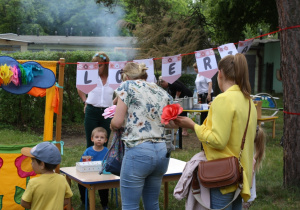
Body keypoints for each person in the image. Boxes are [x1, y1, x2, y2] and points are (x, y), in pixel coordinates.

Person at [173, 53, 257, 209]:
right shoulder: (248, 100)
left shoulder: (223, 99)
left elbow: (218, 141)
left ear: (220, 73)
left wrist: (193, 126)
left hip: (223, 175)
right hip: (240, 174)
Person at [110, 62, 174, 210]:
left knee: (130, 205)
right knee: (152, 204)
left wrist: (112, 125)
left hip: (138, 150)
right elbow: (169, 122)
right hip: (161, 150)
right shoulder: (160, 90)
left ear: (125, 76)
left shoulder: (126, 86)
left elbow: (118, 122)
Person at [20, 142, 73, 210]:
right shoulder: (62, 179)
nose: (31, 163)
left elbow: (24, 203)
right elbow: (67, 200)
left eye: (33, 161)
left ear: (42, 164)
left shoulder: (33, 183)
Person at [77, 52, 114, 148]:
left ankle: (103, 162)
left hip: (107, 112)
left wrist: (113, 103)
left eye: (100, 66)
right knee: (91, 140)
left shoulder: (113, 77)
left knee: (104, 140)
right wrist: (85, 101)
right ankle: (90, 161)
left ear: (106, 65)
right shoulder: (91, 75)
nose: (97, 68)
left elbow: (121, 90)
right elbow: (80, 87)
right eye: (95, 66)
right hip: (92, 110)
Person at [78, 127, 109, 209]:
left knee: (104, 185)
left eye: (102, 137)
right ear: (92, 139)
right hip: (89, 175)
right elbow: (82, 163)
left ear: (105, 140)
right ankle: (85, 202)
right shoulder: (88, 151)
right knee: (81, 184)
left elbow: (109, 164)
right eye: (97, 137)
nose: (99, 139)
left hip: (102, 175)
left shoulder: (107, 151)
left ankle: (104, 204)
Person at [242, 126, 266, 209]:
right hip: (248, 196)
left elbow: (249, 184)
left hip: (244, 196)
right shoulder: (251, 152)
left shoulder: (249, 159)